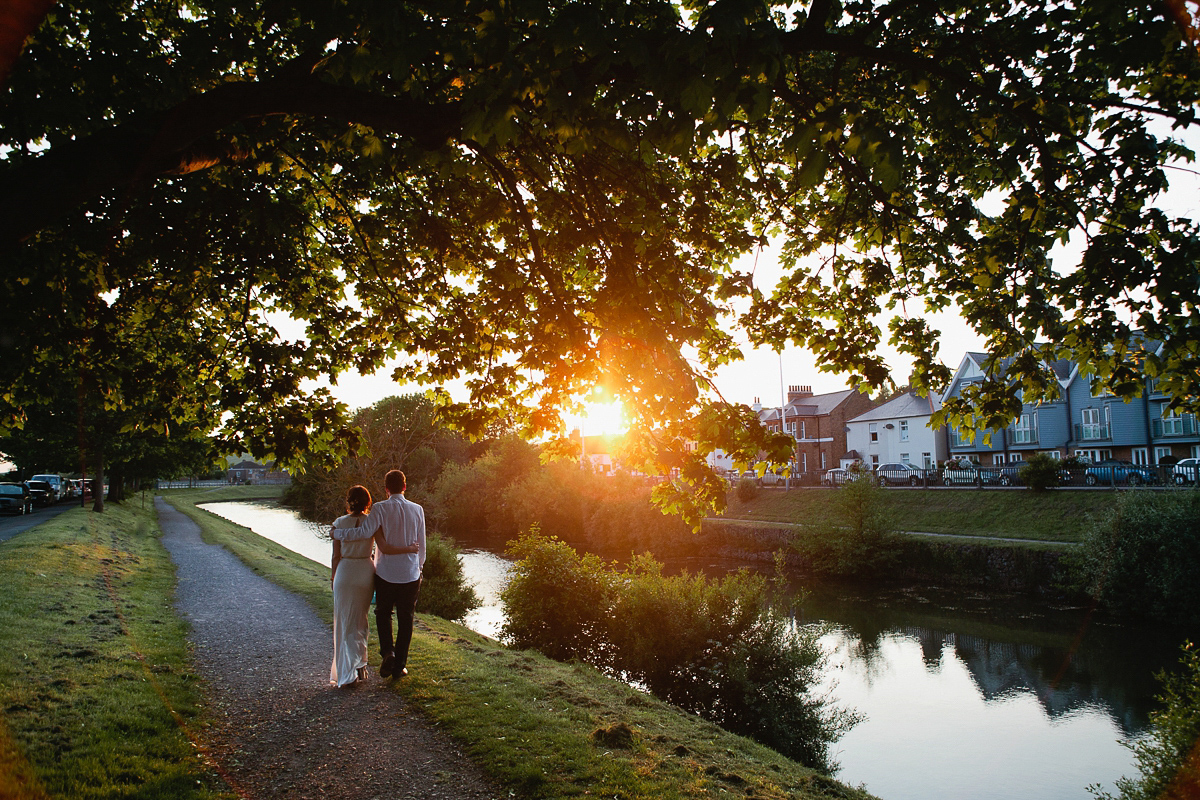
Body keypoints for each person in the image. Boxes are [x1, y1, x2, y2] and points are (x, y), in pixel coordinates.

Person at [336, 469, 426, 679]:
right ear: (404, 486)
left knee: (383, 614)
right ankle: (399, 666)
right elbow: (421, 545)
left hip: (385, 573)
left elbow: (364, 532)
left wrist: (338, 533)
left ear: (386, 489)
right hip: (410, 574)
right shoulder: (418, 509)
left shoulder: (379, 508)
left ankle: (388, 653)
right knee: (406, 620)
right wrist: (419, 568)